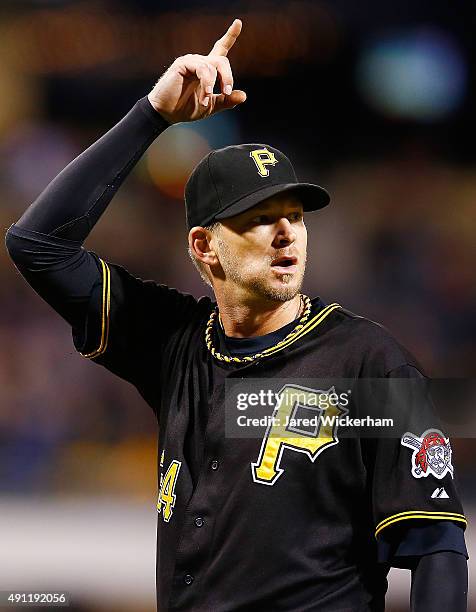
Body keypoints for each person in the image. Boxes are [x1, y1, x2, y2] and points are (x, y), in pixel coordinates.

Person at [5, 18, 469, 612]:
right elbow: (37, 245)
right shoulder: (175, 342)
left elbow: (436, 548)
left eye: (295, 215)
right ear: (203, 246)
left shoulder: (371, 363)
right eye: (257, 217)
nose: (286, 234)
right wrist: (152, 114)